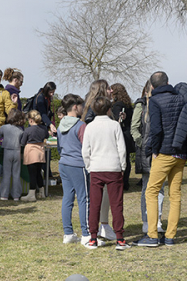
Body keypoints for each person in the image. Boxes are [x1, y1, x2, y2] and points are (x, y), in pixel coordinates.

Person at [134, 71, 186, 247]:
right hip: (180, 153)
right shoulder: (180, 99)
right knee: (175, 194)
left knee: (151, 192)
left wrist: (153, 149)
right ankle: (170, 236)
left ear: (152, 86)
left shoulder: (154, 101)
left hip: (163, 152)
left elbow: (156, 129)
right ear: (168, 82)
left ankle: (152, 235)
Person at [82, 96, 129, 250]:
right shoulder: (115, 125)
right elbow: (121, 148)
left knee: (95, 204)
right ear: (109, 109)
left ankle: (93, 238)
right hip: (113, 168)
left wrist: (89, 166)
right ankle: (120, 239)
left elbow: (85, 151)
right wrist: (122, 166)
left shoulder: (89, 126)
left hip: (96, 168)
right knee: (116, 204)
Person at [130, 80, 165, 235]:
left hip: (162, 151)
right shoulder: (140, 105)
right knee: (147, 187)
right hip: (146, 152)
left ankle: (157, 220)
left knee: (161, 187)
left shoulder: (162, 103)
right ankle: (146, 220)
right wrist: (143, 144)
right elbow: (134, 128)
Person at [82, 79, 116, 241]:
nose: (111, 90)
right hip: (100, 158)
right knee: (100, 196)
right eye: (109, 88)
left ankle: (102, 225)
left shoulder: (94, 108)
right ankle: (100, 226)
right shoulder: (95, 110)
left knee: (102, 196)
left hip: (99, 157)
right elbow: (90, 123)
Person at [57, 94, 92, 247]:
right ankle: (86, 234)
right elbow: (86, 147)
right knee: (84, 198)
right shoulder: (80, 125)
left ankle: (68, 233)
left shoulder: (60, 125)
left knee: (67, 199)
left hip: (63, 163)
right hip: (78, 164)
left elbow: (59, 147)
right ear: (76, 107)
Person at [0, 109, 25, 201]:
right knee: (16, 174)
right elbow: (23, 142)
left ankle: (4, 195)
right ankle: (16, 195)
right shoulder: (20, 130)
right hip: (17, 151)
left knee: (6, 174)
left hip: (7, 151)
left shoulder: (4, 127)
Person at [20, 110, 49, 202]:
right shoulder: (43, 129)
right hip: (40, 152)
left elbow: (22, 142)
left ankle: (31, 194)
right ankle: (42, 192)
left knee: (32, 174)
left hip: (31, 152)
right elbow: (47, 136)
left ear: (31, 120)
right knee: (38, 174)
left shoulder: (28, 130)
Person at [110, 83, 134, 191]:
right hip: (128, 134)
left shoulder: (117, 105)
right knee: (126, 159)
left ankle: (122, 182)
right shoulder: (128, 104)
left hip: (121, 134)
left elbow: (115, 121)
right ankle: (126, 182)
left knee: (120, 159)